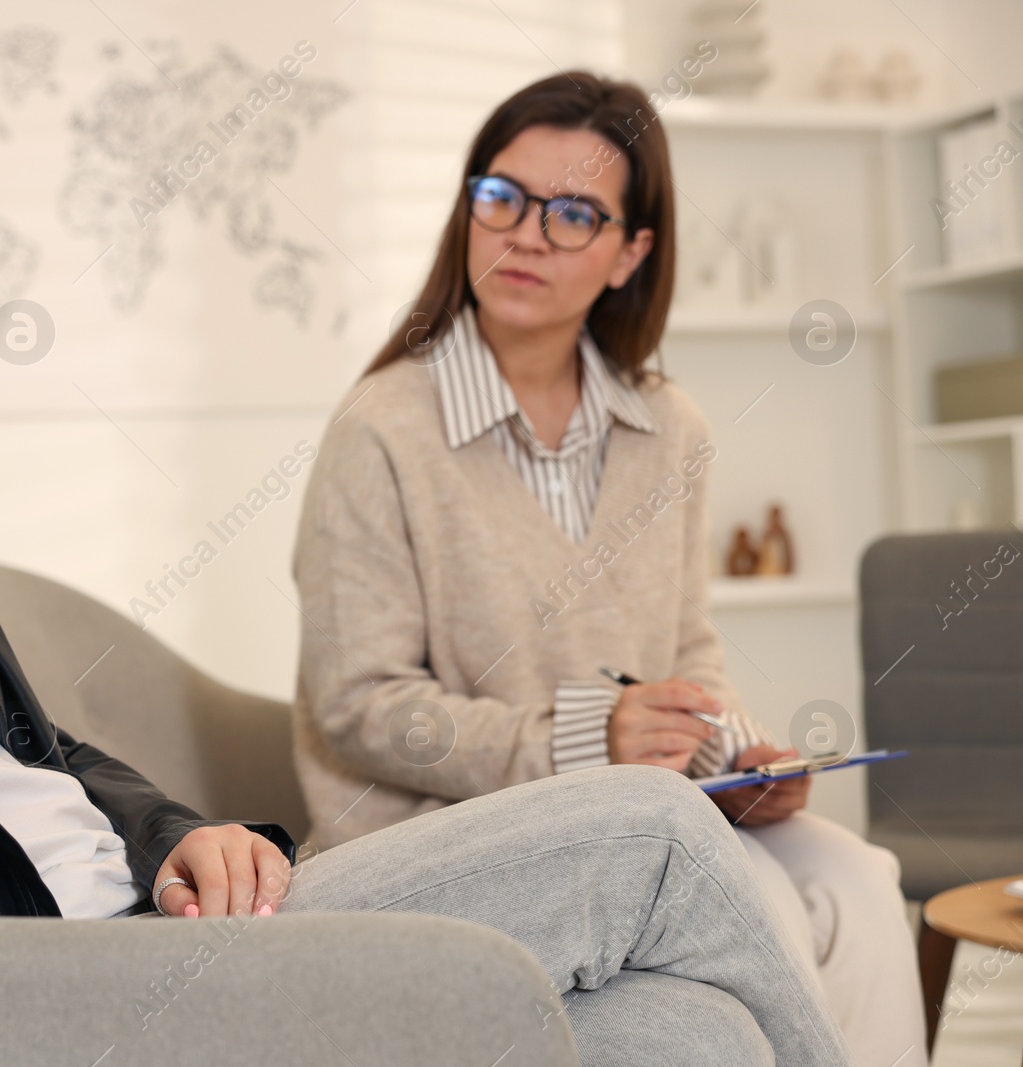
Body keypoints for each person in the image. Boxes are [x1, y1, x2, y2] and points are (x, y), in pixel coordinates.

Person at [0, 102, 852, 1065]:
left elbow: (32, 748)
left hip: (157, 919)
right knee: (652, 834)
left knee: (690, 1035)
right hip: (54, 989)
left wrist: (176, 828)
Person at [289, 71, 925, 1066]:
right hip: (447, 845)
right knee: (756, 898)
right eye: (501, 196)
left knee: (858, 875)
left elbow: (683, 653)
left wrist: (732, 756)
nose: (524, 233)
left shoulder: (668, 429)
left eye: (573, 212)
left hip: (647, 817)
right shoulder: (380, 430)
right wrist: (590, 739)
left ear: (631, 253)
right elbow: (357, 705)